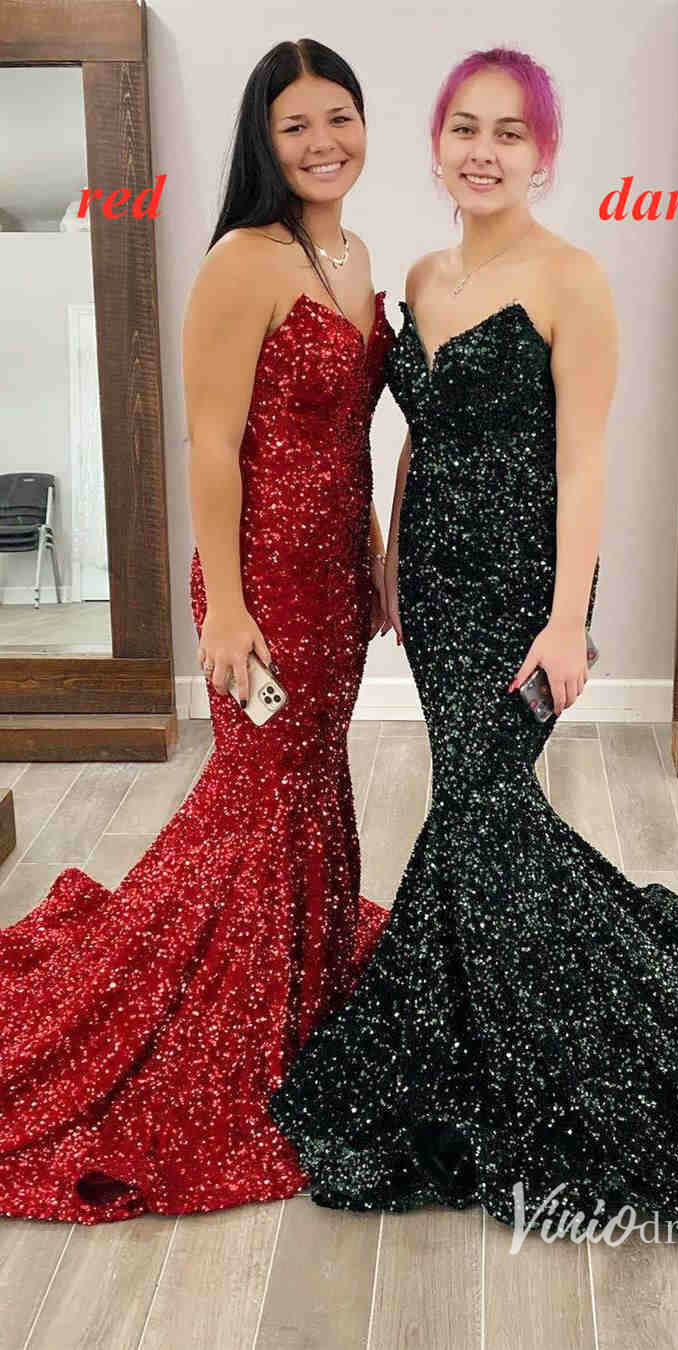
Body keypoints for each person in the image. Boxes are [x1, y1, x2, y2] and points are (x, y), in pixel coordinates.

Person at [268, 46, 678, 1243]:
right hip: (436, 584)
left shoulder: (573, 279)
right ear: (438, 144)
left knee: (479, 809)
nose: (484, 150)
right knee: (481, 815)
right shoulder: (422, 274)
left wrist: (568, 620)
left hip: (524, 589)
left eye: (510, 132)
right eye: (465, 128)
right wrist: (390, 557)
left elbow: (585, 461)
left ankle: (558, 1044)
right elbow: (420, 435)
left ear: (542, 155)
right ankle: (481, 1018)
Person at [0, 39, 393, 1224]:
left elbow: (352, 435)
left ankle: (299, 988)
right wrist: (225, 602)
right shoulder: (241, 260)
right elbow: (211, 447)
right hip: (261, 578)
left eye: (339, 116)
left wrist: (375, 553)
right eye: (295, 125)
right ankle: (217, 1017)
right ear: (262, 141)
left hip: (336, 574)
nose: (322, 142)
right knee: (256, 800)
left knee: (309, 780)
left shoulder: (356, 255)